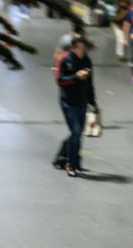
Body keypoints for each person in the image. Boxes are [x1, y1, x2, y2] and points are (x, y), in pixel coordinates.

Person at [52, 37, 97, 177]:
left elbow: (90, 83)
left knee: (77, 133)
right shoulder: (67, 60)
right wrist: (76, 76)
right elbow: (61, 80)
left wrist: (93, 102)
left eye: (84, 48)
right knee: (76, 131)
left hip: (81, 101)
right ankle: (70, 164)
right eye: (80, 48)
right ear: (74, 48)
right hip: (68, 101)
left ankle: (70, 159)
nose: (82, 51)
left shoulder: (87, 61)